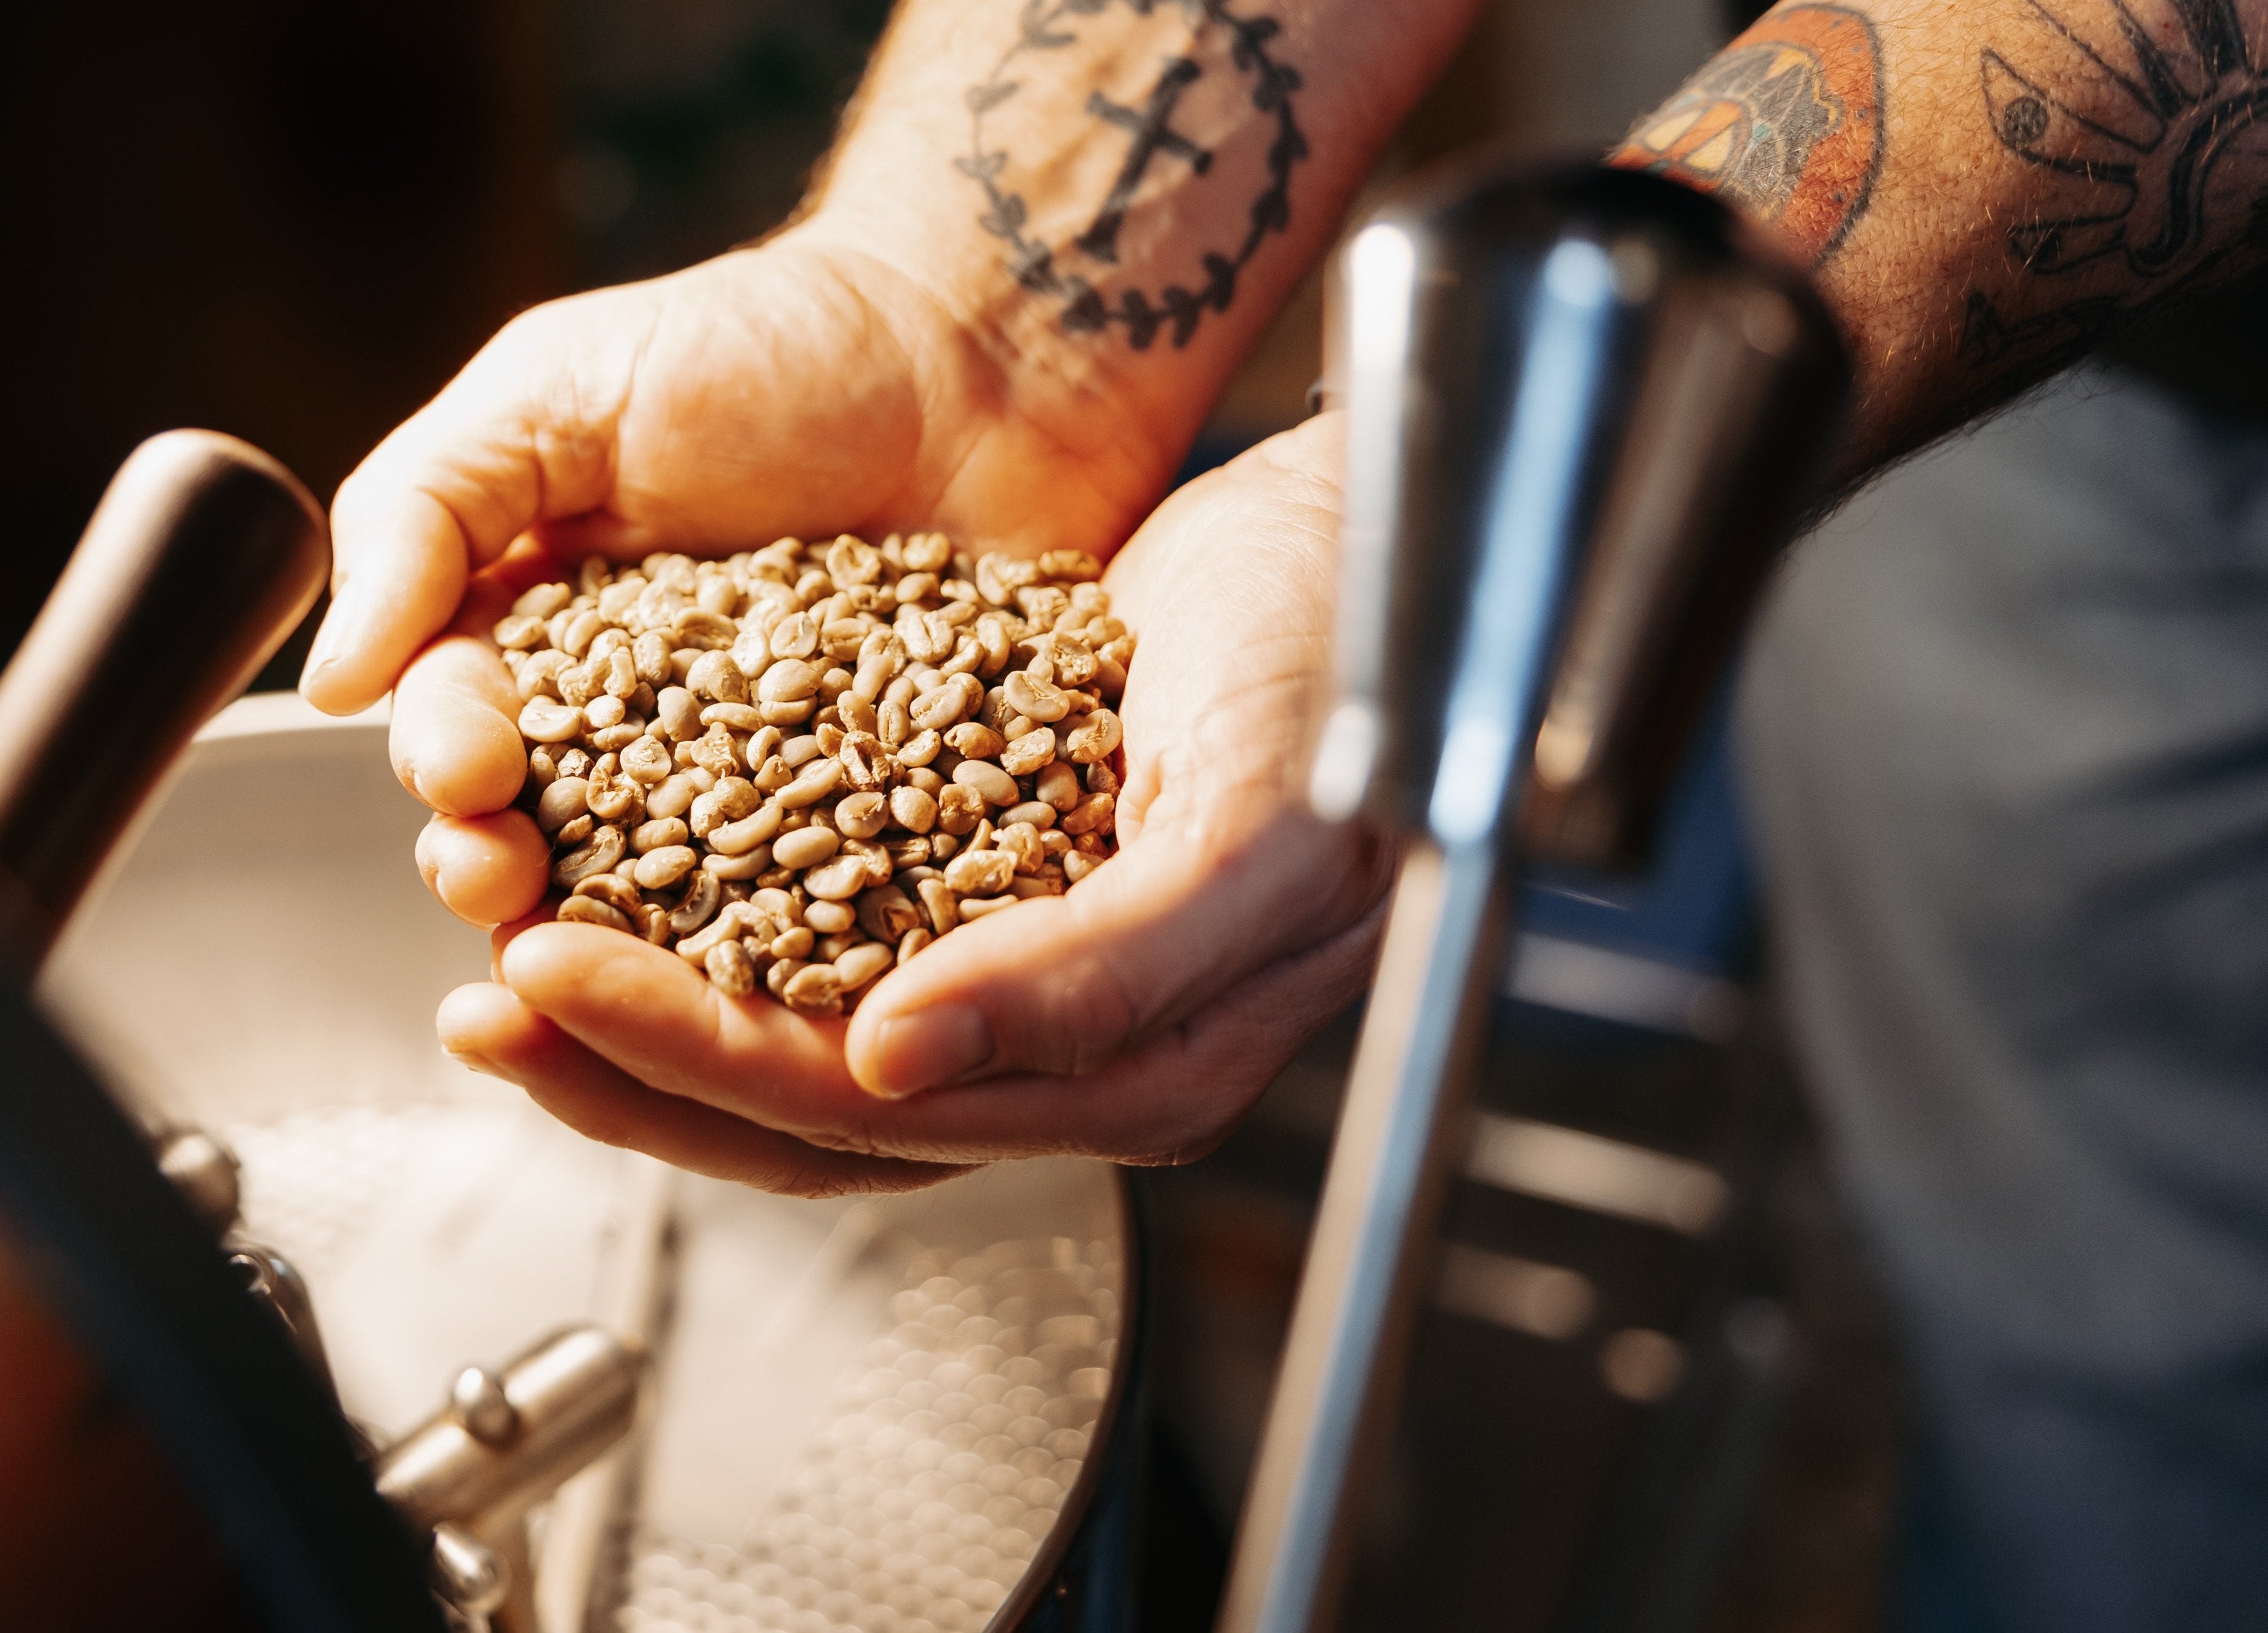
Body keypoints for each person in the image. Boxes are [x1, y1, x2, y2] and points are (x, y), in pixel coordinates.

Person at [303, 5, 2268, 1618]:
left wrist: (1444, 510)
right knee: (2076, 1192)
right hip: (1954, 263)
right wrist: (979, 302)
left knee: (2165, 1323)